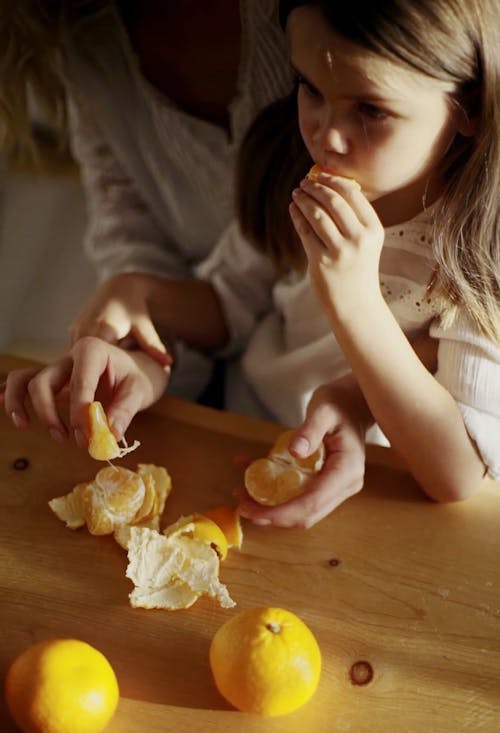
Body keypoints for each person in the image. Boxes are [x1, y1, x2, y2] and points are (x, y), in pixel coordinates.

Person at [3, 0, 500, 528]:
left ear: (468, 106)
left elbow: (458, 473)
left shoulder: (477, 251)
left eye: (371, 110)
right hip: (237, 436)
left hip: (361, 497)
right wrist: (142, 303)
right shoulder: (297, 171)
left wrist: (354, 302)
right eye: (310, 88)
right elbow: (229, 306)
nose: (325, 134)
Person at [0, 0, 292, 395]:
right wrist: (132, 358)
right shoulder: (86, 38)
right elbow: (223, 294)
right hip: (242, 403)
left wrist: (146, 299)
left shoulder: (320, 27)